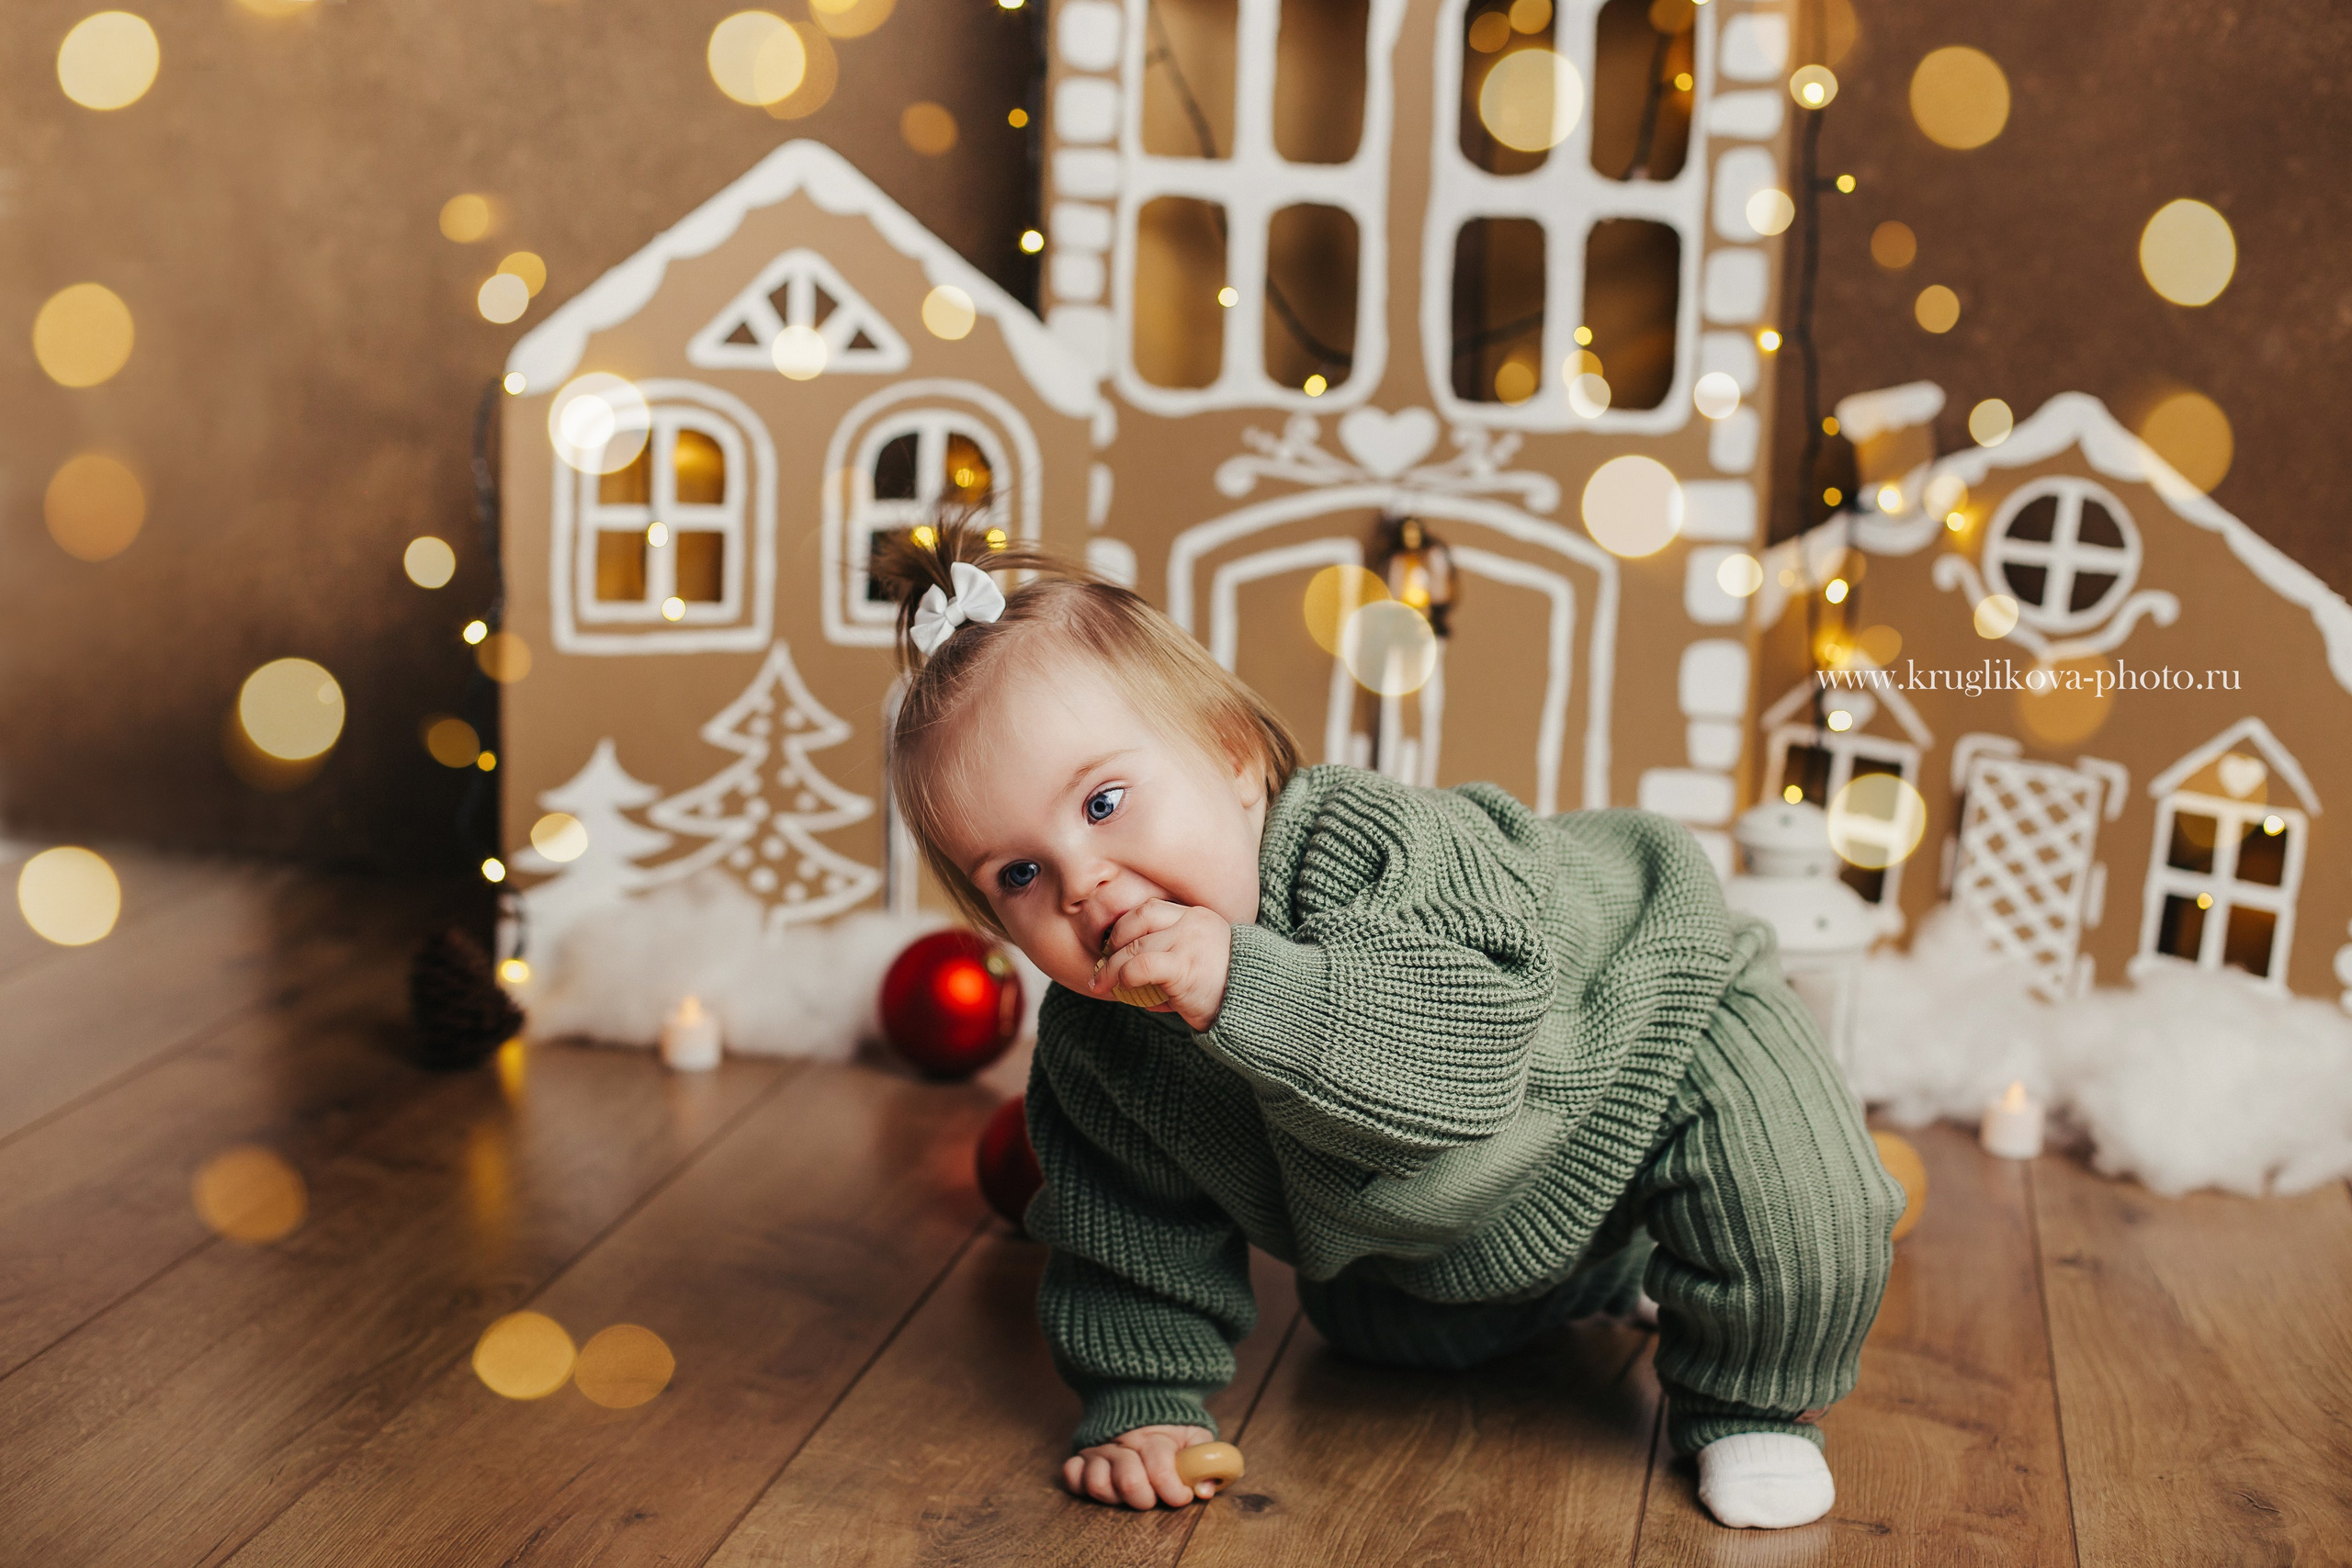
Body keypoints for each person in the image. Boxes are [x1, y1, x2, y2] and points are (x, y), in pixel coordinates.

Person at [873, 520, 1904, 1531]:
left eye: (1102, 803)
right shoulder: (1104, 1043)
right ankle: (1624, 1264)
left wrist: (1244, 986)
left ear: (1234, 760)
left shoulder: (1369, 848)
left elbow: (1466, 1065)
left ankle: (1752, 1403)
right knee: (1388, 1330)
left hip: (1652, 1025)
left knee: (1796, 1216)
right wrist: (1143, 1404)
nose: (1082, 884)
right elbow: (1126, 1229)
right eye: (1018, 874)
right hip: (1464, 1204)